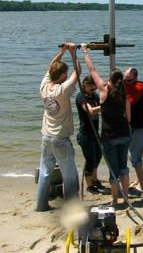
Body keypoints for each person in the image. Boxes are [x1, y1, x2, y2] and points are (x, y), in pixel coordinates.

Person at [81, 43, 131, 207]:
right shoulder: (124, 94)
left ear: (109, 80)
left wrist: (85, 51)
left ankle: (115, 200)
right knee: (124, 168)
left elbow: (92, 70)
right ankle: (126, 198)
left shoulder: (103, 90)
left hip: (109, 136)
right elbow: (128, 118)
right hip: (124, 134)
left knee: (113, 171)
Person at [35, 42, 81, 212]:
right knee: (69, 175)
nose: (67, 75)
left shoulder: (44, 87)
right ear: (62, 75)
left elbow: (49, 68)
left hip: (46, 137)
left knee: (45, 173)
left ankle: (40, 205)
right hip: (60, 138)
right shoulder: (63, 90)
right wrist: (71, 52)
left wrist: (61, 52)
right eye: (65, 74)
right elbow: (78, 72)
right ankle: (72, 206)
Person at [76, 75, 105, 194]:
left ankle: (94, 179)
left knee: (98, 156)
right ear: (85, 85)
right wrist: (104, 107)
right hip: (86, 133)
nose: (93, 91)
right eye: (91, 89)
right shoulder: (81, 97)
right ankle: (89, 185)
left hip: (95, 132)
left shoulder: (94, 96)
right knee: (90, 159)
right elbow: (91, 110)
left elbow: (101, 101)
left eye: (95, 89)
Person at [124, 67, 143, 191]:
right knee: (133, 153)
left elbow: (132, 97)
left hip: (141, 125)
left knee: (135, 155)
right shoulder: (127, 85)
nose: (126, 82)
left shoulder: (141, 85)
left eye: (129, 80)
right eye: (125, 79)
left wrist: (123, 83)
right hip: (131, 123)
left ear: (136, 78)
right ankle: (139, 179)